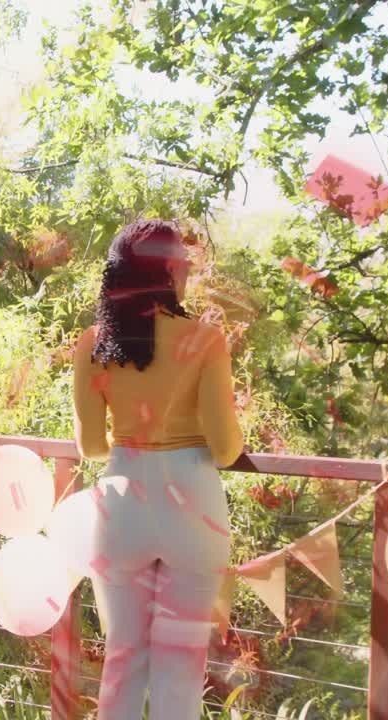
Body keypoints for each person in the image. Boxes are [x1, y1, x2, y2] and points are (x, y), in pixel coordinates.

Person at [70, 218, 243, 720]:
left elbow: (91, 446)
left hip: (122, 504)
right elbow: (227, 449)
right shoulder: (205, 341)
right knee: (180, 671)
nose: (188, 275)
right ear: (169, 270)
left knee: (123, 661)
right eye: (184, 266)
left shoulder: (94, 344)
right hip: (194, 508)